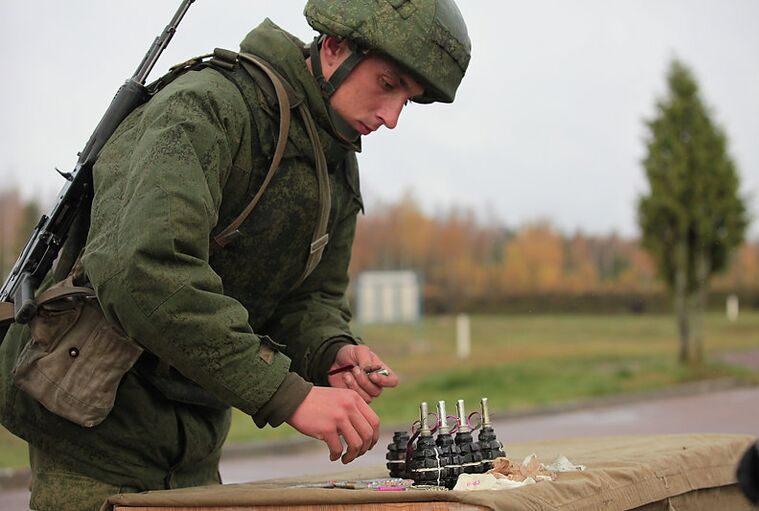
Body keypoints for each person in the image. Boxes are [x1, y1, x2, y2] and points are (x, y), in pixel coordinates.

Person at [0, 0, 471, 509]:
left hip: (196, 444)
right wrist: (290, 396)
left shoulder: (332, 160)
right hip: (96, 437)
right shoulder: (208, 109)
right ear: (334, 48)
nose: (392, 117)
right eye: (388, 84)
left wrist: (330, 350)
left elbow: (309, 297)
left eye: (409, 99)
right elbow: (145, 273)